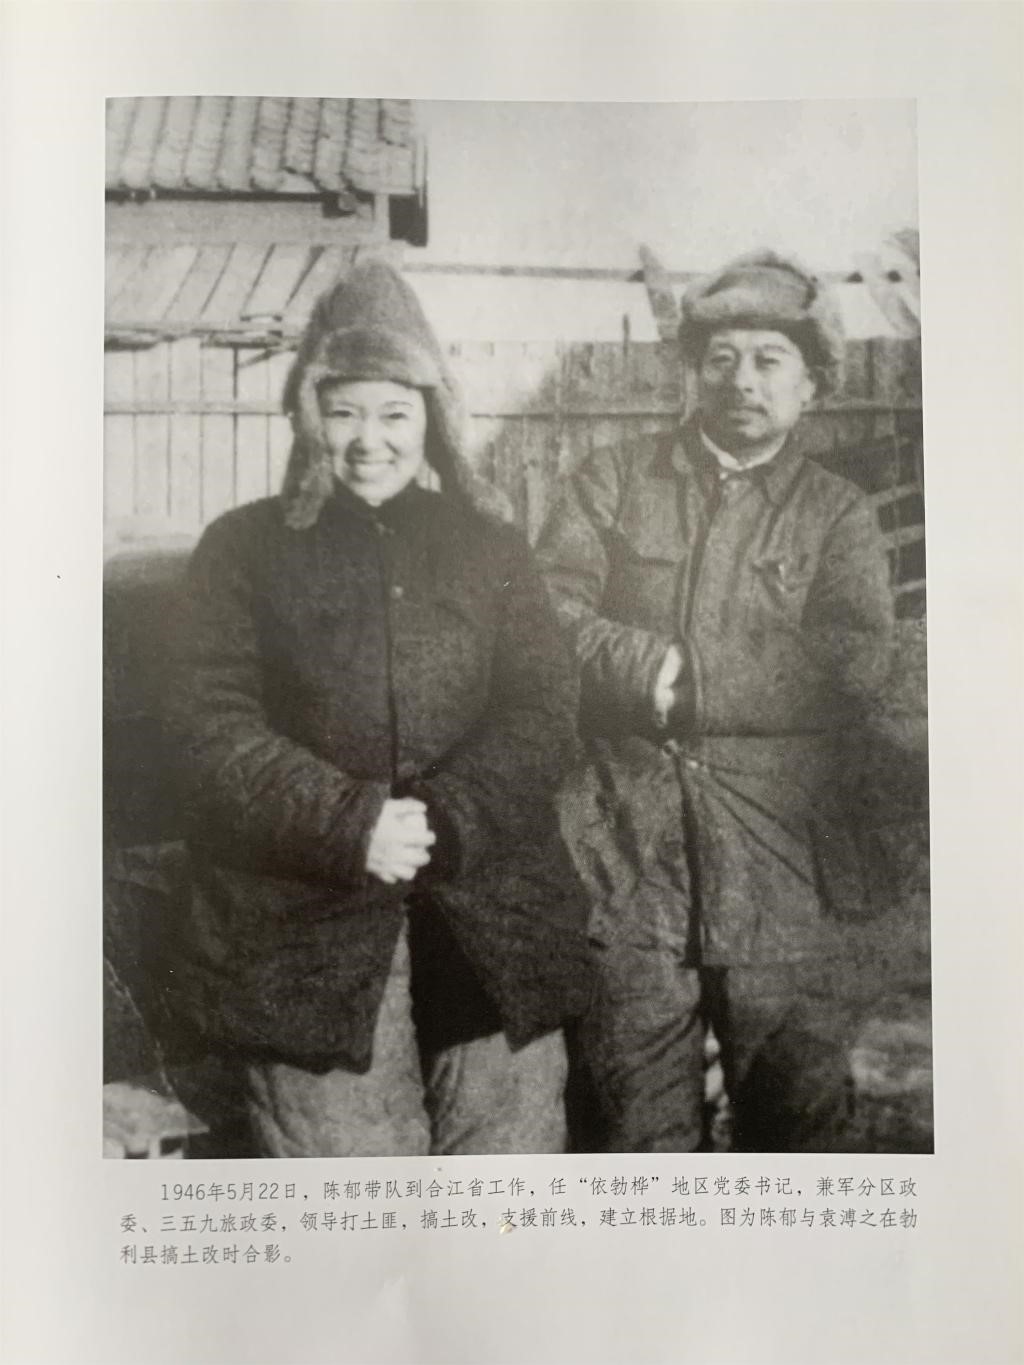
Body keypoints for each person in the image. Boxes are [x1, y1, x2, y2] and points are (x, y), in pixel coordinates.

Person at [161, 259, 592, 1157]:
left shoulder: (491, 546)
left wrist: (451, 815)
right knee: (349, 1200)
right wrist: (349, 821)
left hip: (490, 921)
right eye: (344, 411)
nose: (370, 441)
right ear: (306, 414)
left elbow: (544, 707)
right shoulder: (242, 548)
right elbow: (209, 724)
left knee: (504, 1187)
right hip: (302, 935)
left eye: (394, 413)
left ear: (431, 418)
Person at [536, 250, 895, 1152]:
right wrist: (643, 666)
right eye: (722, 358)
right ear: (692, 372)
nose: (742, 380)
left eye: (770, 359)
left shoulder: (837, 513)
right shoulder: (613, 479)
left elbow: (851, 658)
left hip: (782, 875)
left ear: (812, 385)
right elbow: (543, 620)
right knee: (633, 1138)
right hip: (625, 862)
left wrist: (690, 680)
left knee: (799, 1137)